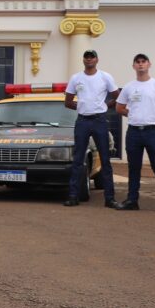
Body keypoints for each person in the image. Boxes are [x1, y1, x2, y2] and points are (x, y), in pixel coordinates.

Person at [114, 53, 155, 214]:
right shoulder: (129, 87)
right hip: (134, 132)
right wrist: (134, 116)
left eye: (143, 62)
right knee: (134, 168)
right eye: (137, 62)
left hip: (152, 132)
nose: (141, 64)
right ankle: (132, 200)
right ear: (133, 66)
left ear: (149, 64)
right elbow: (119, 108)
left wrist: (154, 116)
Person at [63, 49, 120, 208]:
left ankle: (110, 199)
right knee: (78, 159)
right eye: (86, 57)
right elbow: (67, 102)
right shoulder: (76, 78)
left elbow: (118, 97)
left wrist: (104, 106)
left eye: (92, 57)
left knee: (105, 160)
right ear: (83, 60)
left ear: (97, 59)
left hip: (99, 121)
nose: (89, 60)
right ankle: (73, 196)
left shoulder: (105, 77)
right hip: (82, 121)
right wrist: (81, 106)